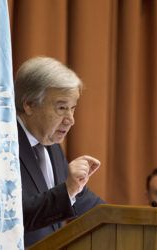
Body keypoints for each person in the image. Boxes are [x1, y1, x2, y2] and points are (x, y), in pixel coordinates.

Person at [15, 56, 104, 246]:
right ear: (29, 104)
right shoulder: (2, 147)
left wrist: (130, 219)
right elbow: (13, 217)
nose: (70, 119)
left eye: (72, 109)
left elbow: (81, 201)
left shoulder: (51, 144)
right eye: (62, 108)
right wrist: (69, 189)